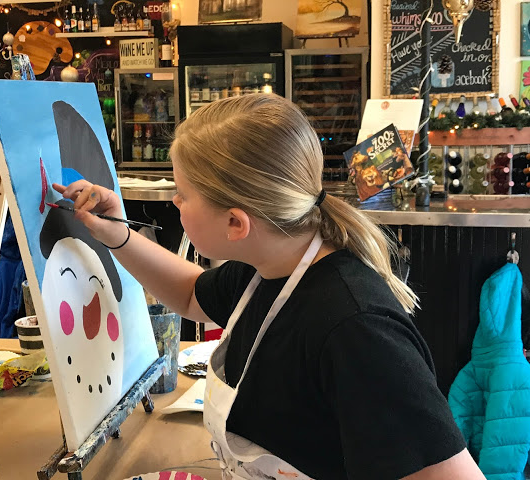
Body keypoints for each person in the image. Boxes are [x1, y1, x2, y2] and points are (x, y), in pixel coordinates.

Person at [54, 94, 485, 479]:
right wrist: (117, 234)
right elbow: (189, 294)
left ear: (235, 223)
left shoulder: (357, 331)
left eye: (182, 192)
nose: (174, 201)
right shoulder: (268, 266)